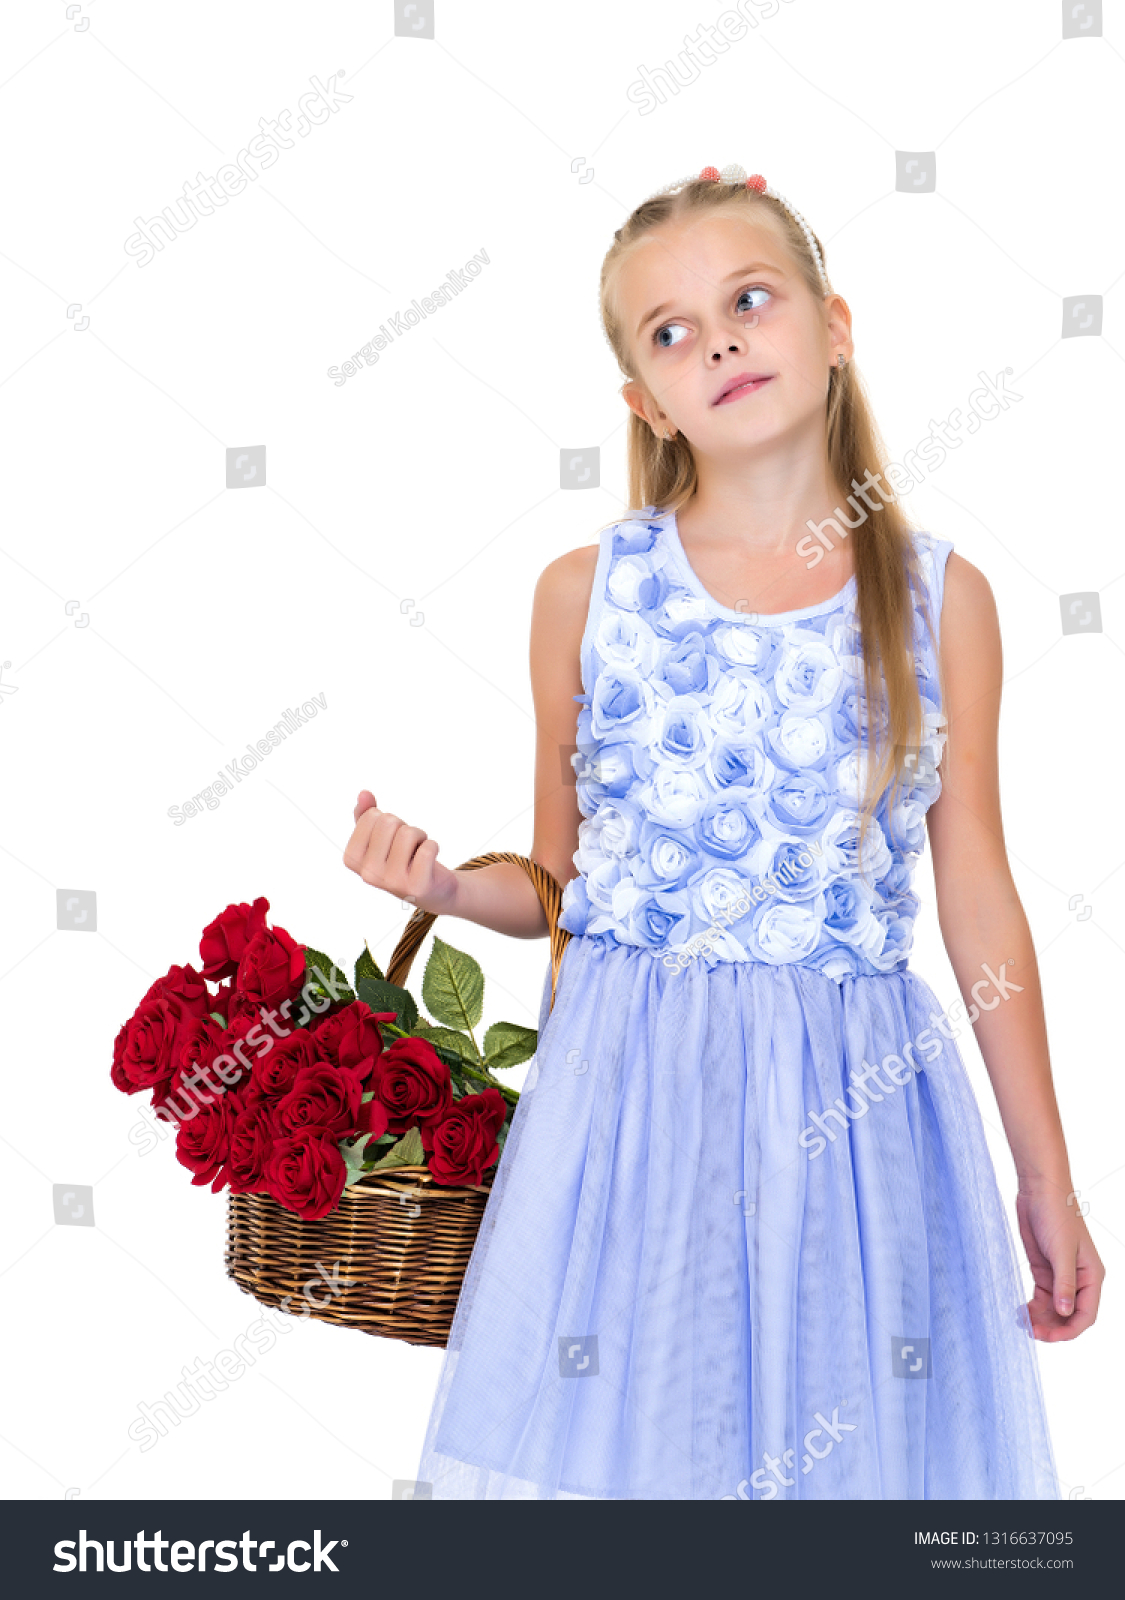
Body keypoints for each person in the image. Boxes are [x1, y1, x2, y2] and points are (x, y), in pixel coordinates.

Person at [343, 164, 1103, 1500]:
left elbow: (976, 891)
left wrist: (1047, 1180)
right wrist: (455, 889)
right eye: (672, 331)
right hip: (637, 1112)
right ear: (643, 402)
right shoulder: (588, 593)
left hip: (857, 1120)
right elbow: (561, 885)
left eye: (749, 299)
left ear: (833, 323)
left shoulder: (939, 600)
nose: (722, 341)